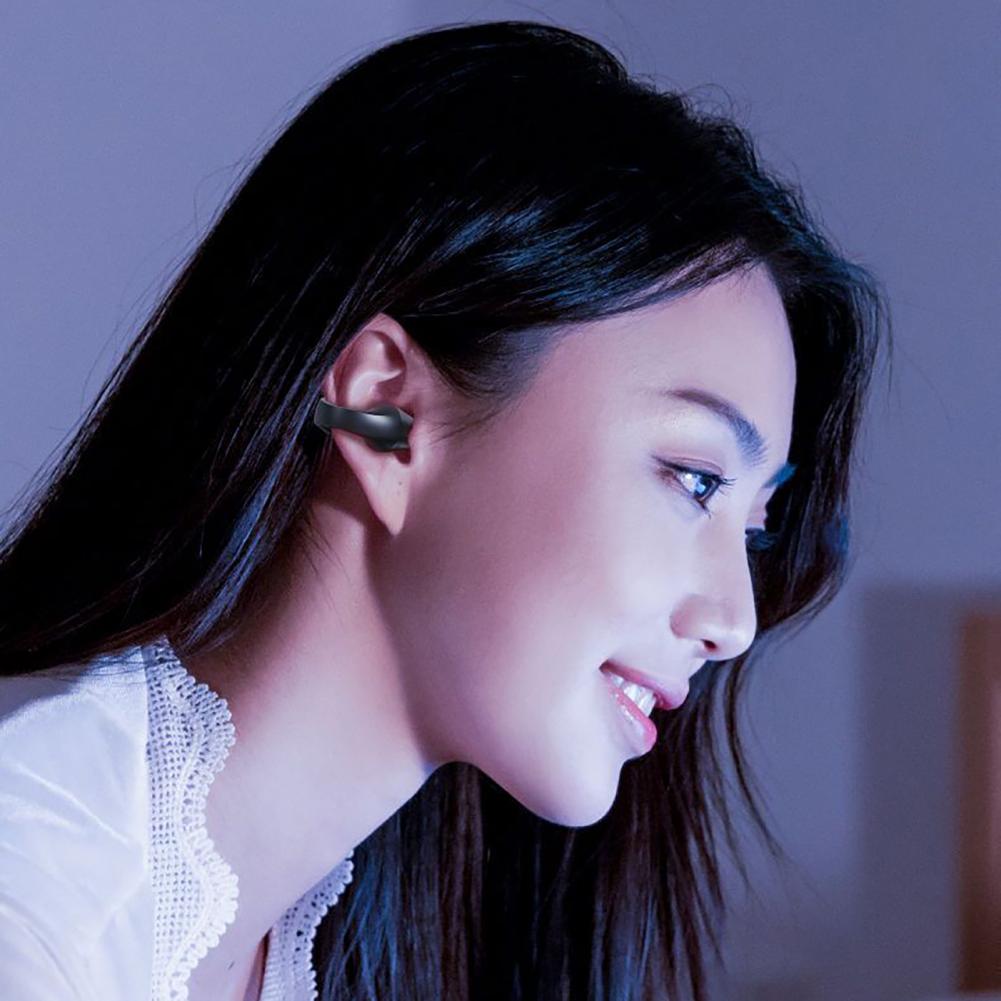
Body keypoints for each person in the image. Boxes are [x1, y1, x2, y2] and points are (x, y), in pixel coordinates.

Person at [0, 18, 888, 1001]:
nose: (733, 619)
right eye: (693, 478)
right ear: (384, 411)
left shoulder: (326, 942)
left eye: (753, 527)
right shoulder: (32, 891)